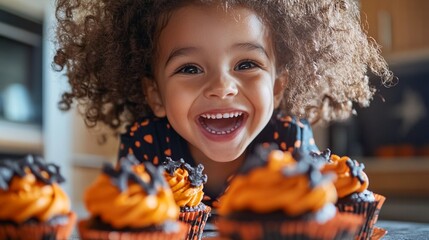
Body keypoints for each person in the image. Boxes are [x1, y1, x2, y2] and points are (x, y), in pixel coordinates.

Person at [52, 0, 394, 202]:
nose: (221, 87)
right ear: (155, 94)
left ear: (277, 89)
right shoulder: (146, 146)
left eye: (246, 64)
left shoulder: (290, 142)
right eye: (189, 68)